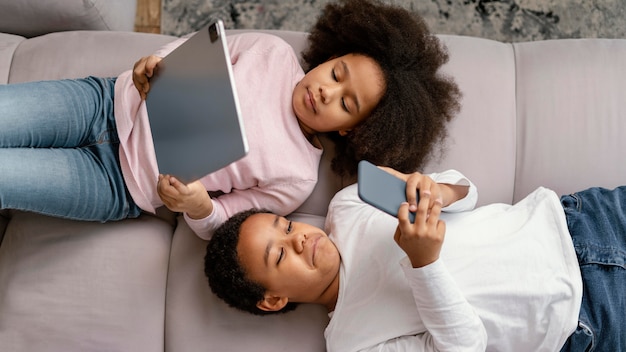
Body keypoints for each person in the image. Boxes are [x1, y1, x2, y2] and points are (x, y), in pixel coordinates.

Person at [0, 0, 460, 239]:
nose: (326, 90)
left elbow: (222, 222)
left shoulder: (296, 178)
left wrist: (197, 205)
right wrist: (151, 67)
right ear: (330, 55)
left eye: (346, 103)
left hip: (114, 183)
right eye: (336, 73)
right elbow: (188, 53)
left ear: (351, 130)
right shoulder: (273, 53)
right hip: (102, 102)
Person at [204, 166, 625, 351]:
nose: (300, 239)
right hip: (584, 314)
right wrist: (425, 264)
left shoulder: (349, 204)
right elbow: (465, 348)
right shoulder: (351, 343)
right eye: (279, 254)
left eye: (287, 225)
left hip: (579, 220)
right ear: (273, 298)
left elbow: (466, 192)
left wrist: (440, 191)